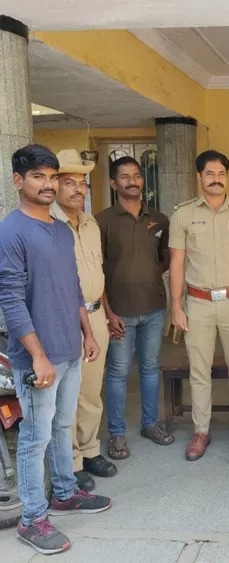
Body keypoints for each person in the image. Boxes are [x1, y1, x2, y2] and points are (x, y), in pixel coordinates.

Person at [0, 145, 110, 554]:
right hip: (39, 358)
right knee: (36, 437)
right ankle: (32, 519)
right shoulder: (11, 231)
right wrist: (38, 356)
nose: (47, 185)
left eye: (51, 177)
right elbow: (10, 300)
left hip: (70, 348)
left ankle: (65, 492)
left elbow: (74, 288)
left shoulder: (61, 230)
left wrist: (88, 334)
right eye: (38, 177)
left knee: (63, 425)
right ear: (18, 181)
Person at [168, 150, 229, 461]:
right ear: (199, 177)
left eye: (221, 174)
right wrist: (176, 307)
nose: (216, 179)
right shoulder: (182, 214)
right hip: (198, 303)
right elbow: (176, 263)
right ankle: (201, 431)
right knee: (199, 372)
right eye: (209, 173)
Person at [96, 155, 175, 461]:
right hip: (119, 312)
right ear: (113, 183)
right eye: (125, 177)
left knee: (150, 367)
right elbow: (96, 270)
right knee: (117, 372)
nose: (132, 181)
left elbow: (165, 259)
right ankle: (116, 433)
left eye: (137, 176)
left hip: (154, 307)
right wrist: (108, 312)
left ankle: (150, 424)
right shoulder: (102, 221)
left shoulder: (159, 219)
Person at [51, 150, 117, 493]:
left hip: (96, 316)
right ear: (55, 185)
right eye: (70, 182)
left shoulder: (90, 224)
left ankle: (90, 449)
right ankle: (72, 460)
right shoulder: (48, 225)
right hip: (64, 319)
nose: (78, 189)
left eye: (83, 183)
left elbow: (98, 274)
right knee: (68, 396)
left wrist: (106, 312)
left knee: (91, 391)